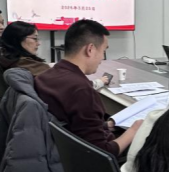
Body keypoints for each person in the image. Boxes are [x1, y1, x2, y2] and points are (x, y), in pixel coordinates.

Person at [35, 19, 140, 157]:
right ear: (90, 49)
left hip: (60, 151)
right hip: (87, 160)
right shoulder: (81, 90)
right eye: (103, 51)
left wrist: (104, 125)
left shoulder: (46, 76)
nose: (102, 58)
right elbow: (103, 153)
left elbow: (73, 123)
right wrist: (134, 130)